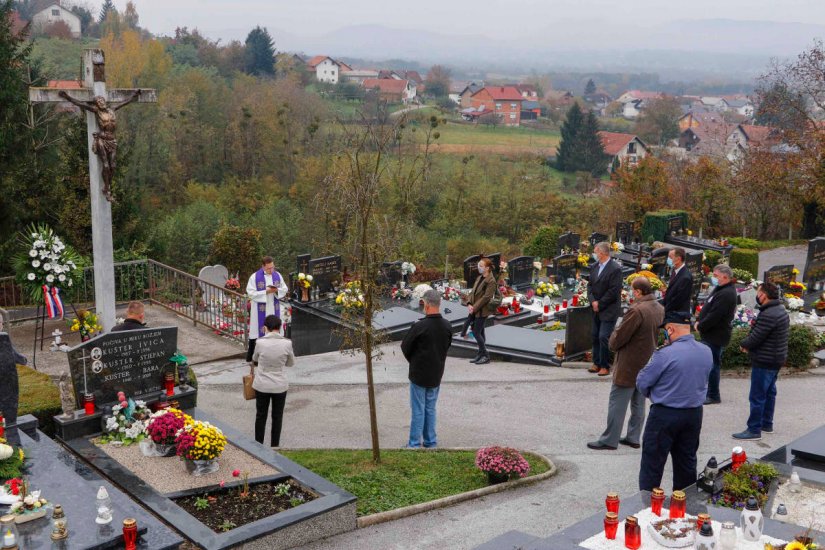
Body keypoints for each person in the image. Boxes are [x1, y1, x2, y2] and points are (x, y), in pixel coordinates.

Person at [637, 311, 713, 491]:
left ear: (670, 329)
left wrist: (655, 393)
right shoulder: (706, 351)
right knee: (686, 463)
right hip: (693, 414)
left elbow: (642, 382)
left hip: (664, 414)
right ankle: (684, 508)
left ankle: (648, 507)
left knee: (652, 465)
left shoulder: (664, 354)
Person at [588, 276, 664, 450]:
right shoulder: (658, 307)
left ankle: (609, 439)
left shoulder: (637, 310)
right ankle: (633, 437)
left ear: (638, 291)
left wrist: (612, 342)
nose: (631, 293)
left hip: (629, 362)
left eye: (632, 290)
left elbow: (620, 336)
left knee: (617, 401)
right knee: (638, 401)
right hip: (646, 361)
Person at [733, 282, 789, 441]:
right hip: (775, 359)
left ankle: (754, 429)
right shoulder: (780, 310)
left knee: (757, 395)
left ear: (764, 295)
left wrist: (743, 344)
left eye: (758, 292)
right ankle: (766, 424)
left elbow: (756, 337)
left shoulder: (769, 313)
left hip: (765, 360)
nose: (757, 296)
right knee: (770, 392)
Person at [401, 290, 453, 448]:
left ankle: (414, 443)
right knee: (430, 408)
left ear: (427, 304)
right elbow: (446, 347)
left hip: (419, 374)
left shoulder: (420, 326)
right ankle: (430, 441)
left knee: (418, 409)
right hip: (436, 373)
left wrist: (414, 361)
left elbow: (405, 346)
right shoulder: (447, 325)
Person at [695, 265, 738, 405]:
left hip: (715, 335)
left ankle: (713, 395)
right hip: (711, 334)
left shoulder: (727, 293)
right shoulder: (722, 289)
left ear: (725, 277)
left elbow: (715, 315)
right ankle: (709, 392)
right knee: (710, 364)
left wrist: (700, 325)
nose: (714, 278)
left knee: (713, 366)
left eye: (716, 275)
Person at [250, 315, 295, 447]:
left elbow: (255, 358)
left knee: (260, 415)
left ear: (266, 328)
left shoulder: (260, 342)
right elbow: (291, 363)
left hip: (262, 384)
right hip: (280, 385)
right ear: (280, 327)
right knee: (277, 416)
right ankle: (275, 445)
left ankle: (258, 444)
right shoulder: (287, 343)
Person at [587, 241, 623, 376]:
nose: (594, 254)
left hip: (608, 308)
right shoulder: (595, 266)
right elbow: (589, 285)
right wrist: (592, 301)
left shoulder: (615, 269)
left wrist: (600, 303)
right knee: (595, 335)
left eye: (596, 252)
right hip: (595, 307)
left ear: (602, 253)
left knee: (603, 336)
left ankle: (605, 365)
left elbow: (614, 291)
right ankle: (596, 363)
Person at [247, 256, 289, 363]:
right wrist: (265, 292)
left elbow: (284, 289)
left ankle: (277, 356)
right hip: (260, 309)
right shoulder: (254, 277)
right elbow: (250, 293)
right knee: (259, 331)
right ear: (263, 266)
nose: (271, 270)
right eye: (269, 268)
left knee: (275, 330)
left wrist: (276, 290)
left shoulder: (277, 275)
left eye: (272, 267)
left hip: (274, 307)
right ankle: (257, 359)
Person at [466, 257, 496, 365]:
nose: (479, 267)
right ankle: (480, 354)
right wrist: (469, 303)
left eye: (481, 266)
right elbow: (472, 292)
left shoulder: (491, 281)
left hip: (482, 310)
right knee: (481, 332)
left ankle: (486, 355)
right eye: (479, 265)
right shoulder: (480, 277)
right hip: (474, 308)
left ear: (487, 268)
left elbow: (486, 297)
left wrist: (474, 307)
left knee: (476, 332)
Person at [0, 320, 27, 427]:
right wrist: (24, 359)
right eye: (1, 322)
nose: (2, 325)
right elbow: (20, 359)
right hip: (8, 384)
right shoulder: (3, 339)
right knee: (9, 416)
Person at [663, 247, 693, 316]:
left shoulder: (685, 278)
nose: (668, 259)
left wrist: (664, 310)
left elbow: (677, 300)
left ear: (678, 259)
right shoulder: (675, 270)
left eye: (670, 257)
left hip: (676, 314)